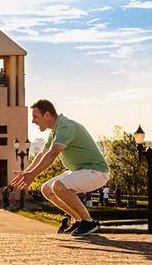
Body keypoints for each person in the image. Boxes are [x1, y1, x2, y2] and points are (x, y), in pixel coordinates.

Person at [10, 99, 110, 236]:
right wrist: (27, 172)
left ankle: (89, 222)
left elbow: (53, 153)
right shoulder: (55, 131)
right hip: (82, 171)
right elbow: (43, 154)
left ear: (47, 115)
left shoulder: (65, 126)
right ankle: (79, 220)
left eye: (35, 117)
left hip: (97, 172)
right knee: (46, 189)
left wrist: (32, 175)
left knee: (58, 186)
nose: (33, 121)